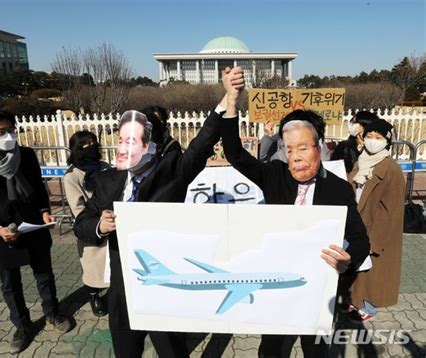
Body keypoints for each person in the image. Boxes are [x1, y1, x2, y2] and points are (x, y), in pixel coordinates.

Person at [74, 68, 245, 357]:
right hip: (122, 291)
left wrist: (228, 98)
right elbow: (82, 223)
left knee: (171, 350)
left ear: (152, 144)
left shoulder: (173, 172)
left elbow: (202, 142)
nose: (125, 147)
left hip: (162, 287)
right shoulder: (107, 180)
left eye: (134, 140)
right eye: (121, 140)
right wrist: (100, 226)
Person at [220, 69, 370, 358]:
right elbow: (235, 154)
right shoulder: (275, 176)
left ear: (320, 147)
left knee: (315, 350)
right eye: (289, 150)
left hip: (318, 289)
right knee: (272, 350)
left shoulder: (338, 189)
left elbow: (360, 239)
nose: (297, 156)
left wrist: (348, 260)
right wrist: (231, 99)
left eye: (303, 147)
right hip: (276, 288)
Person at [0, 109, 71, 353]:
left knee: (44, 274)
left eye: (11, 130)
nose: (8, 136)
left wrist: (43, 211)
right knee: (10, 284)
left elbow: (40, 191)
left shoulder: (27, 156)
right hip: (1, 236)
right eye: (1, 132)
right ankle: (22, 325)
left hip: (33, 227)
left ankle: (53, 313)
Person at [347, 119, 405, 322]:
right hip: (359, 222)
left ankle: (369, 307)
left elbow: (390, 211)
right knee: (360, 269)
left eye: (378, 137)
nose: (372, 141)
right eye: (369, 136)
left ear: (387, 141)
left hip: (376, 229)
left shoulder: (391, 169)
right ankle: (357, 300)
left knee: (374, 272)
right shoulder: (361, 161)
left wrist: (375, 240)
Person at [63, 131, 111, 316]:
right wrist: (98, 221)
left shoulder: (105, 167)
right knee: (94, 268)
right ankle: (94, 295)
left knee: (112, 266)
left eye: (93, 142)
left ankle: (113, 294)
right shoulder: (72, 176)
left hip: (112, 222)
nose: (90, 147)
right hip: (92, 227)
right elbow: (78, 209)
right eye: (84, 144)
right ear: (77, 149)